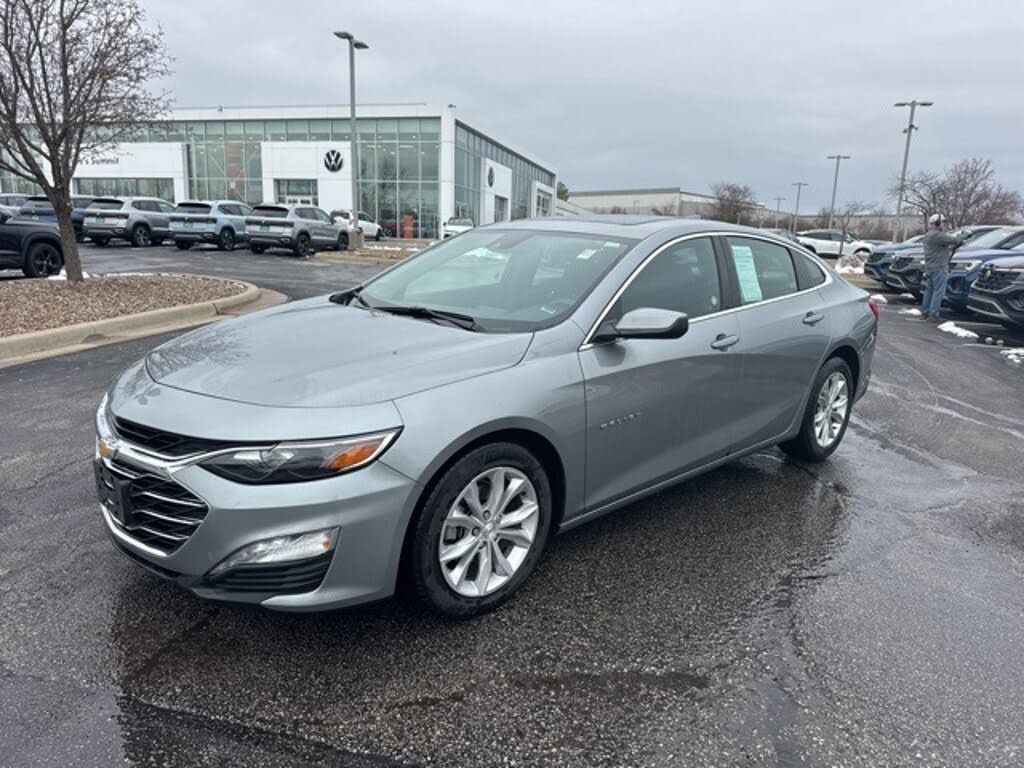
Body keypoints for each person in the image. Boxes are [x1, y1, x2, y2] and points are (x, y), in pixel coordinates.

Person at [919, 214, 964, 322]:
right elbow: (957, 241)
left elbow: (942, 247)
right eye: (943, 222)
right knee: (938, 291)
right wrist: (963, 236)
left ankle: (925, 312)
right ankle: (933, 314)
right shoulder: (938, 235)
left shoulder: (928, 235)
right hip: (939, 267)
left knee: (929, 290)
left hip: (930, 267)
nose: (944, 225)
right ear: (937, 223)